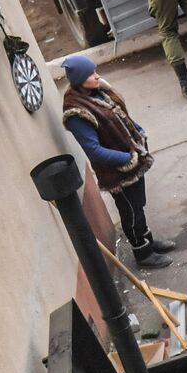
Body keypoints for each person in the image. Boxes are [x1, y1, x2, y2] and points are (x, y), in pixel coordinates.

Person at [62, 54, 175, 269]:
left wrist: (139, 131)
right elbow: (94, 151)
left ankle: (148, 242)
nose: (97, 76)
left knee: (138, 206)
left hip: (132, 164)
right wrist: (129, 158)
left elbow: (121, 118)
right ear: (79, 80)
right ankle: (143, 254)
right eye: (91, 74)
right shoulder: (76, 113)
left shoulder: (98, 93)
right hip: (118, 170)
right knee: (130, 212)